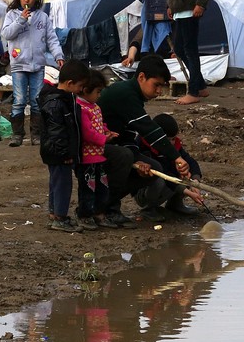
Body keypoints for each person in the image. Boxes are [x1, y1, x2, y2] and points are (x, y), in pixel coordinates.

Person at [98, 55, 192, 222]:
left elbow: (127, 135)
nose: (159, 92)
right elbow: (148, 129)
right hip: (94, 147)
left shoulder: (133, 96)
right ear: (141, 77)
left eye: (161, 87)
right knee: (125, 157)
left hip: (112, 145)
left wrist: (138, 160)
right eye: (156, 85)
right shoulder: (125, 94)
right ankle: (106, 207)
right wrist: (176, 157)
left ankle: (107, 203)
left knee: (152, 167)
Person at [1, 0, 65, 148]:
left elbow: (52, 39)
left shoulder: (42, 18)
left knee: (37, 101)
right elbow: (7, 34)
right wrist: (21, 19)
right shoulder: (12, 14)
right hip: (19, 64)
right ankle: (17, 134)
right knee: (19, 100)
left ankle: (36, 134)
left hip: (37, 65)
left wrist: (59, 56)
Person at [38, 59, 90, 232]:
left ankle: (55, 214)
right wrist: (65, 154)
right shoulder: (57, 103)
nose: (81, 90)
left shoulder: (63, 99)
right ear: (70, 83)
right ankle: (59, 217)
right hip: (59, 153)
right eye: (80, 86)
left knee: (56, 182)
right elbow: (57, 132)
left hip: (55, 151)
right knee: (62, 184)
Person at [75, 70, 120, 230]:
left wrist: (106, 131)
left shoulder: (94, 106)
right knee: (87, 188)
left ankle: (99, 214)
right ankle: (84, 215)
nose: (99, 95)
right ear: (86, 90)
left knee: (102, 188)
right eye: (98, 92)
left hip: (98, 156)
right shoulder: (80, 108)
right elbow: (86, 132)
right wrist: (103, 138)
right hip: (86, 157)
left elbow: (99, 124)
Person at [141, 113, 205, 215]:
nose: (171, 143)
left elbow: (190, 162)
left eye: (173, 139)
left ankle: (175, 204)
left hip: (170, 183)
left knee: (185, 170)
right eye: (167, 139)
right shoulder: (145, 148)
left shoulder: (175, 147)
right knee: (159, 180)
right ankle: (148, 208)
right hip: (146, 189)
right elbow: (164, 173)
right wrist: (188, 192)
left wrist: (195, 182)